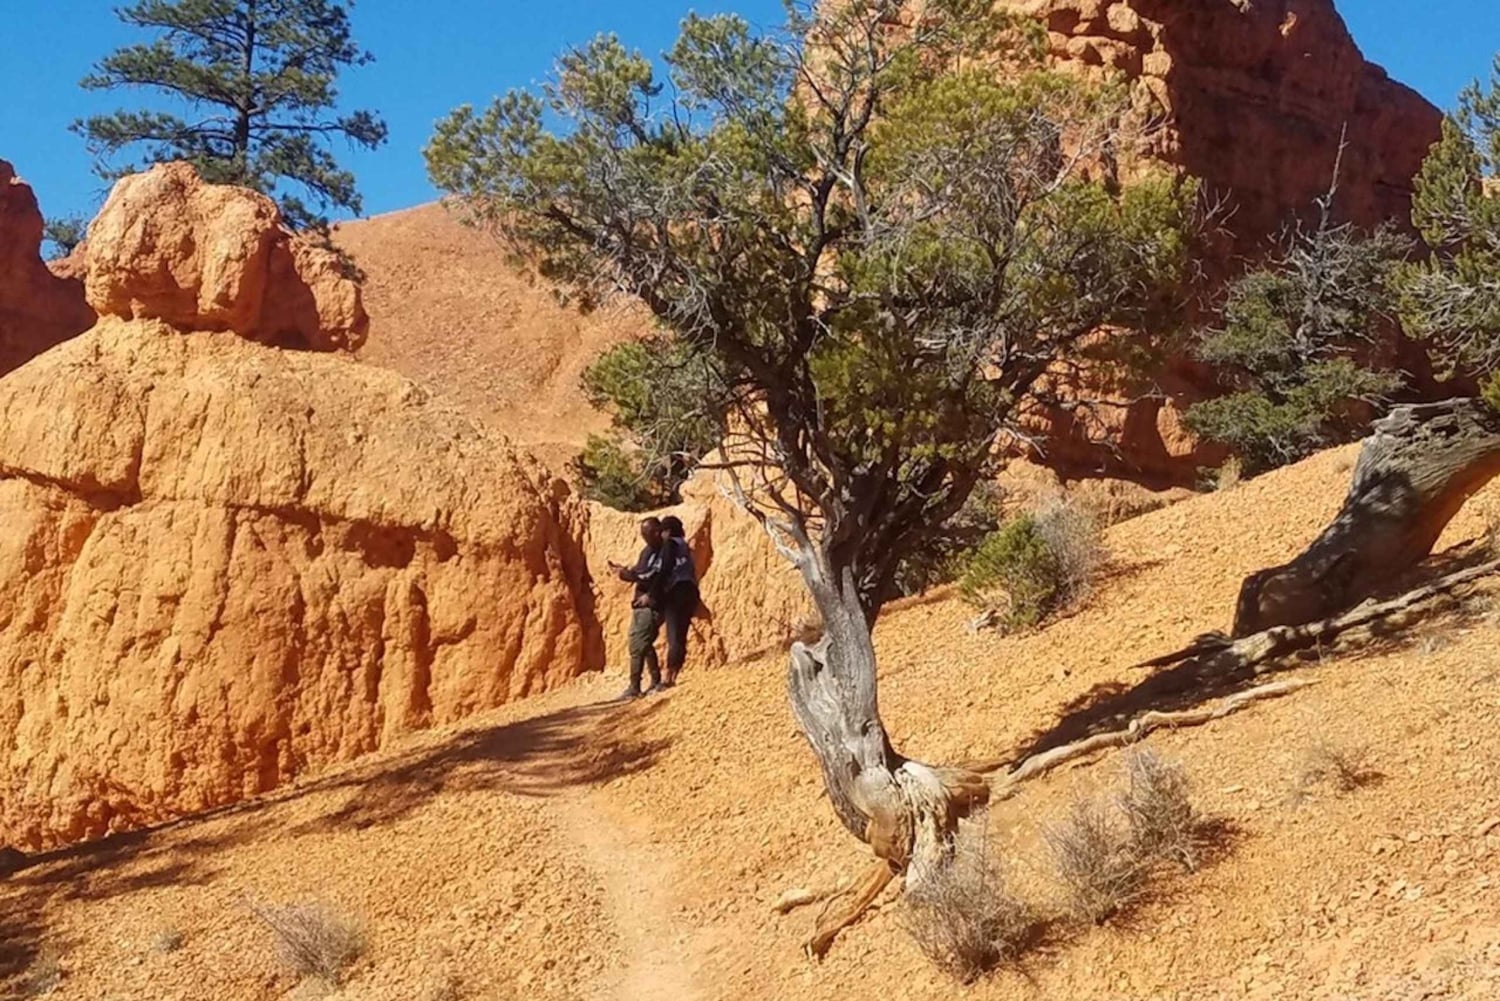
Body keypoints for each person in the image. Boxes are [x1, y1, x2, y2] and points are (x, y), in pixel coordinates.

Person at [607, 516, 668, 700]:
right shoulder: (648, 551)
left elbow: (650, 575)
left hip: (652, 605)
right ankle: (656, 681)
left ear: (657, 532)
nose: (645, 538)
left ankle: (634, 687)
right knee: (644, 642)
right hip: (641, 604)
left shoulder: (665, 552)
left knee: (637, 644)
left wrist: (628, 575)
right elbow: (640, 570)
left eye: (647, 534)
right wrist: (624, 571)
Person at [658, 515, 699, 687]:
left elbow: (666, 568)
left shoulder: (670, 544)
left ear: (667, 531)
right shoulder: (684, 545)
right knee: (681, 636)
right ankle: (674, 674)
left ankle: (667, 678)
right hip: (690, 591)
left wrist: (656, 590)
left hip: (676, 592)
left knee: (673, 635)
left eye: (662, 531)